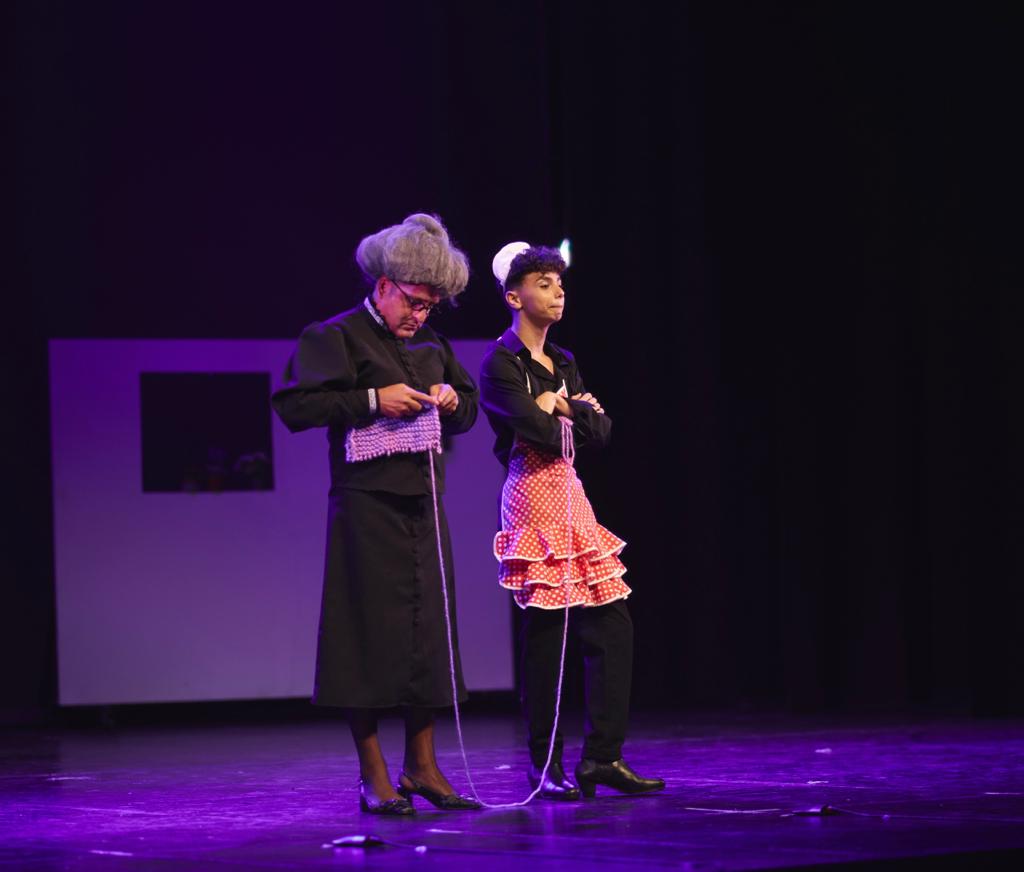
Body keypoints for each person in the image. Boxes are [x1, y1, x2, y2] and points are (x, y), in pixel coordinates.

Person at [272, 214, 481, 815]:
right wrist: (372, 399)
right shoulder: (336, 335)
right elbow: (295, 403)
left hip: (423, 506)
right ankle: (374, 774)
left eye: (430, 307)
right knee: (363, 639)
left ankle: (423, 766)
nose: (419, 315)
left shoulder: (432, 345)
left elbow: (466, 409)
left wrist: (449, 399)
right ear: (384, 285)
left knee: (428, 638)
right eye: (413, 302)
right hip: (366, 507)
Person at [479, 242, 665, 800]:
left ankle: (603, 757)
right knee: (550, 635)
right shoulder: (498, 364)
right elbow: (534, 430)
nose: (557, 291)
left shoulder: (563, 361)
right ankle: (546, 765)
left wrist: (564, 407)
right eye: (543, 282)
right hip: (532, 495)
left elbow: (601, 433)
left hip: (571, 492)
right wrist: (567, 410)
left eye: (559, 282)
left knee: (613, 626)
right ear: (515, 296)